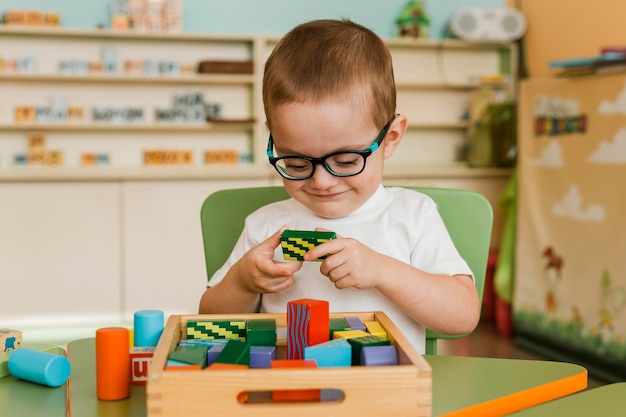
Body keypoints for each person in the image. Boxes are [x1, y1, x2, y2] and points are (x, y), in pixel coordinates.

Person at [199, 19, 479, 352]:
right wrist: (243, 283)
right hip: (290, 387)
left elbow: (463, 316)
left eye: (345, 161)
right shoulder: (266, 226)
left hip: (387, 392)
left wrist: (383, 271)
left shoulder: (413, 215)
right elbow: (208, 325)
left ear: (390, 139)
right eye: (296, 163)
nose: (321, 181)